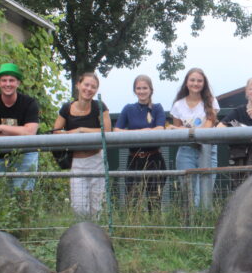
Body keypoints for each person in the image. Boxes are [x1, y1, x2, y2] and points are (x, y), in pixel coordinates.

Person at [53, 72, 112, 218]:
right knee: (78, 207)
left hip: (96, 159)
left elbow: (107, 131)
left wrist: (81, 130)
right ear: (78, 85)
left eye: (93, 86)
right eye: (86, 84)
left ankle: (95, 236)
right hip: (77, 162)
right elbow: (55, 132)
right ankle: (82, 235)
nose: (89, 89)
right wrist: (71, 135)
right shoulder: (66, 108)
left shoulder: (100, 106)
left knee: (96, 207)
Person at [0, 63, 40, 192]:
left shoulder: (29, 103)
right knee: (4, 197)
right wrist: (20, 132)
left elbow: (30, 132)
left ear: (18, 83)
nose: (8, 84)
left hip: (26, 153)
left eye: (11, 80)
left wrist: (1, 127)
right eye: (4, 80)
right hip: (1, 156)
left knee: (23, 195)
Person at [114, 75, 167, 211]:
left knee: (154, 201)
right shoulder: (128, 109)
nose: (141, 91)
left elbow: (160, 128)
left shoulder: (157, 108)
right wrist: (143, 130)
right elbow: (117, 130)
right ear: (134, 90)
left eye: (145, 88)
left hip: (154, 159)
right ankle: (133, 230)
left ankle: (156, 230)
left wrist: (136, 132)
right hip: (134, 159)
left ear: (150, 90)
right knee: (132, 200)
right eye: (138, 88)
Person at [170, 68, 219, 207]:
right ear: (186, 83)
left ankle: (203, 225)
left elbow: (207, 128)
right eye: (192, 80)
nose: (195, 83)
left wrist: (184, 130)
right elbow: (177, 132)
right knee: (189, 195)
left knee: (204, 194)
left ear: (204, 83)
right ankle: (190, 227)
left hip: (207, 150)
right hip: (186, 150)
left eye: (199, 80)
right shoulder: (178, 105)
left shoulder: (211, 101)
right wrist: (184, 131)